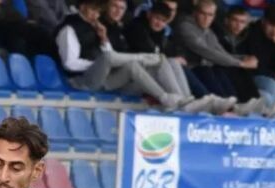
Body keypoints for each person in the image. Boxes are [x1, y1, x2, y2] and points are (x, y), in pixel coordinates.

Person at [57, 0, 186, 109]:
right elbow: (70, 64)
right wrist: (98, 64)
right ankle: (143, 57)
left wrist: (104, 39)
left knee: (138, 65)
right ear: (82, 6)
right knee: (110, 58)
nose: (95, 15)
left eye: (98, 11)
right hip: (83, 81)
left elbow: (108, 56)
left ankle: (180, 100)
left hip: (104, 80)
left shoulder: (97, 26)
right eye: (92, 10)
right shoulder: (69, 28)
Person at [125, 1, 237, 113]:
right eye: (157, 18)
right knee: (165, 62)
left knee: (174, 62)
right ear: (149, 14)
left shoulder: (160, 31)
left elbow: (166, 52)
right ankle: (189, 102)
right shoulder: (137, 27)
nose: (159, 23)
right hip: (137, 78)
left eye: (163, 21)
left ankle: (188, 100)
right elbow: (147, 54)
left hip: (152, 74)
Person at [173, 0, 270, 114]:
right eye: (203, 14)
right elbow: (208, 52)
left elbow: (221, 52)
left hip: (203, 67)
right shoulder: (185, 26)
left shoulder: (208, 31)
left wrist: (243, 58)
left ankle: (252, 106)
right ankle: (230, 108)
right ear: (195, 13)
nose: (206, 18)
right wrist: (240, 63)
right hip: (189, 68)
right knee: (214, 69)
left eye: (210, 15)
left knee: (231, 69)